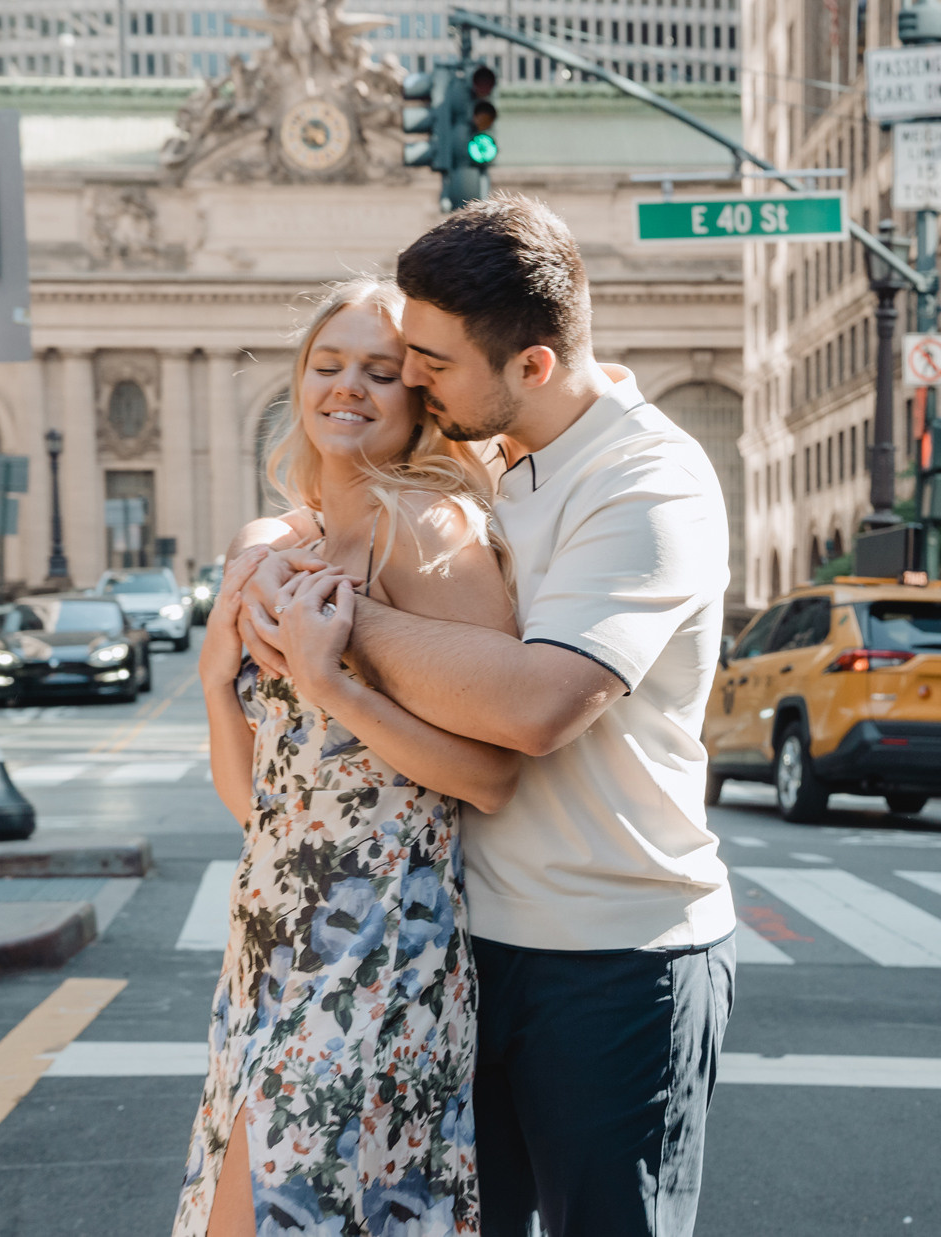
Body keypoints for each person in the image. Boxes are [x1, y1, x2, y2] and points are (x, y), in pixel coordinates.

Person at [242, 196, 737, 1237]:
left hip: (612, 955)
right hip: (462, 946)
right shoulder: (497, 459)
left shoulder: (647, 482)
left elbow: (537, 704)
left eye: (434, 362)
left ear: (534, 365)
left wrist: (334, 622)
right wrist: (286, 554)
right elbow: (374, 512)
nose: (414, 380)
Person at [174, 277, 521, 1237]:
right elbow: (260, 807)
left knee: (268, 1216)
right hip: (267, 938)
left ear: (420, 396)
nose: (348, 387)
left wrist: (336, 688)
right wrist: (214, 681)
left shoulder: (430, 530)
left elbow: (492, 773)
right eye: (328, 365)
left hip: (381, 941)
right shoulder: (287, 543)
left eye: (379, 369)